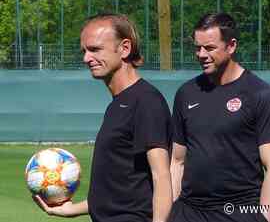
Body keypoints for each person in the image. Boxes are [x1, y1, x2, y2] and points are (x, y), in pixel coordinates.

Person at [33, 14, 173, 222]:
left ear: (125, 48)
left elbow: (161, 176)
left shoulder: (145, 101)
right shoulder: (118, 104)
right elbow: (121, 192)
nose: (86, 58)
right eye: (85, 51)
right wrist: (70, 209)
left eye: (95, 49)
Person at [169, 13, 270, 222]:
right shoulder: (186, 93)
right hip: (188, 212)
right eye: (197, 47)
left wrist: (263, 218)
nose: (201, 54)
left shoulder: (259, 94)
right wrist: (173, 211)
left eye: (210, 48)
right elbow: (177, 161)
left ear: (231, 46)